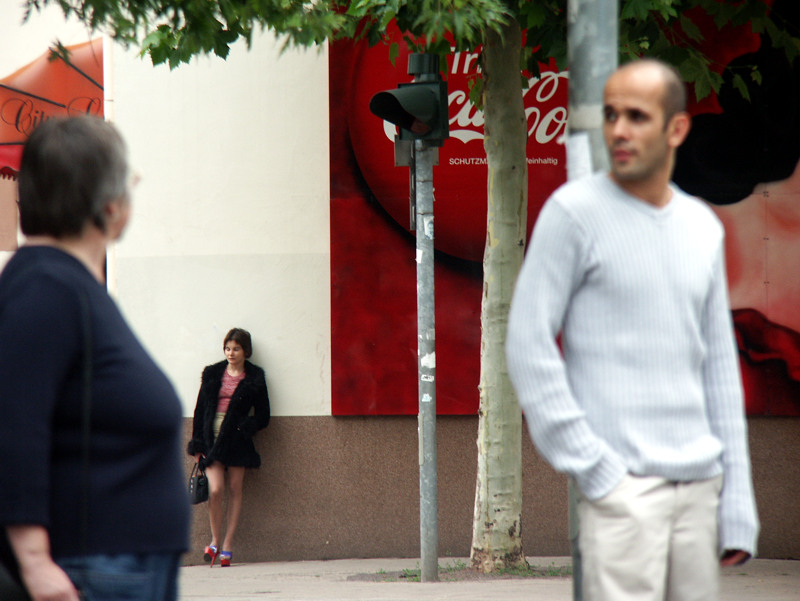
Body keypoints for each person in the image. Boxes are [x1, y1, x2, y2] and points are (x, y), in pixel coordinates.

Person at [506, 59, 759, 601]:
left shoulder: (701, 227)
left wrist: (735, 504)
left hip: (698, 490)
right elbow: (527, 343)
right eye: (612, 114)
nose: (619, 130)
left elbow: (718, 367)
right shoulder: (573, 215)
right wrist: (596, 469)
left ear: (677, 129)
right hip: (623, 494)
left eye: (637, 116)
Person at [0, 116, 189, 601]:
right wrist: (36, 564)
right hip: (92, 568)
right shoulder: (45, 288)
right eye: (129, 184)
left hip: (115, 564)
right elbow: (15, 425)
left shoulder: (63, 283)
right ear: (108, 206)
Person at [187, 327, 270, 567]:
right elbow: (200, 410)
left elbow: (264, 416)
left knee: (235, 490)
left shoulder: (254, 378)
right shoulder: (213, 373)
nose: (230, 353)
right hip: (212, 442)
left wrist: (245, 427)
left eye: (236, 348)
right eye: (227, 348)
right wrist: (197, 445)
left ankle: (228, 545)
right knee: (215, 490)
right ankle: (214, 540)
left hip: (237, 441)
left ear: (246, 351)